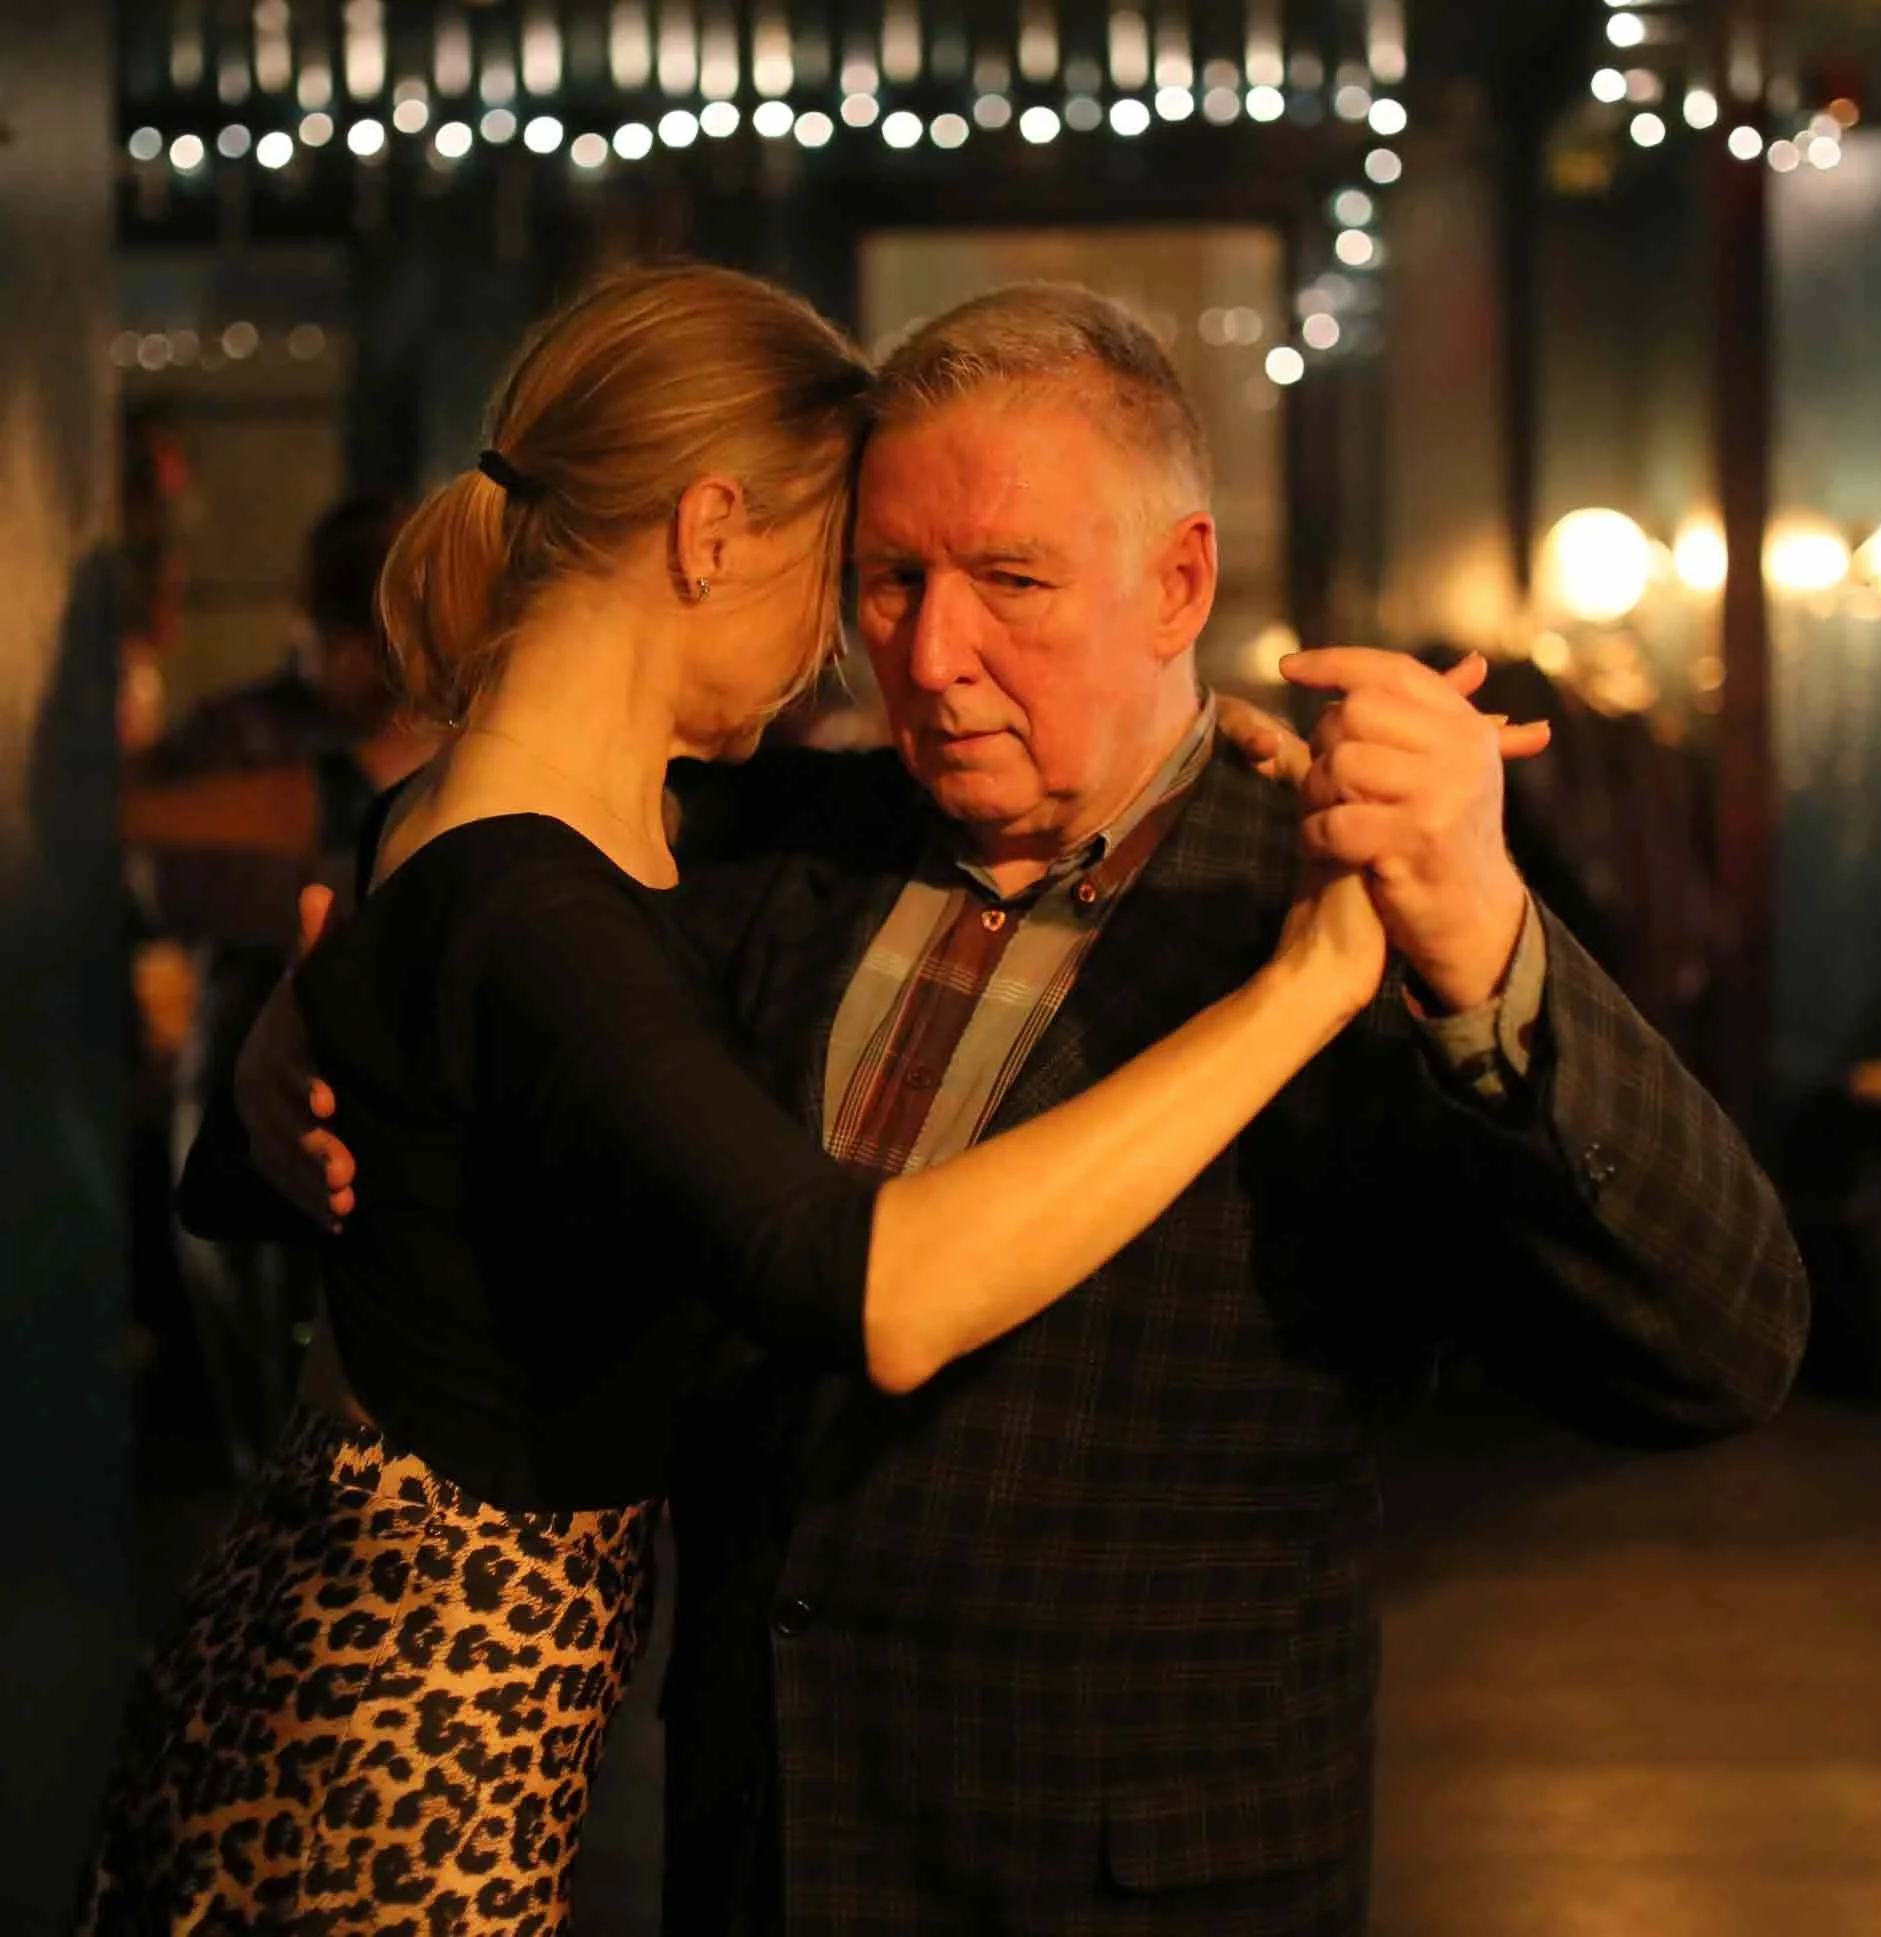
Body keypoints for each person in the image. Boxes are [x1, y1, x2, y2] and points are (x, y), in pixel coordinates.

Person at [222, 284, 1808, 1937]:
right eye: (891, 579)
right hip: (761, 1857)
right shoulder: (783, 845)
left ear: (1179, 581)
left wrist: (1485, 942)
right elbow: (492, 851)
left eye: (1014, 583)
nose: (928, 650)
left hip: (1129, 1892)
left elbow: (1721, 1347)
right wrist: (297, 1042)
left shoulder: (1332, 916)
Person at [80, 265, 1395, 1937]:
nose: (883, 644)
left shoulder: (508, 833)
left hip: (376, 1694)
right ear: (711, 535)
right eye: (862, 571)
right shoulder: (535, 899)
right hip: (384, 1744)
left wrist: (294, 1036)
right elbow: (880, 1287)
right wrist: (1303, 986)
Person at [122, 493, 435, 1475]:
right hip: (243, 1067)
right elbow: (166, 874)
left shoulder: (439, 740)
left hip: (384, 1096)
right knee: (261, 1365)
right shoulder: (246, 733)